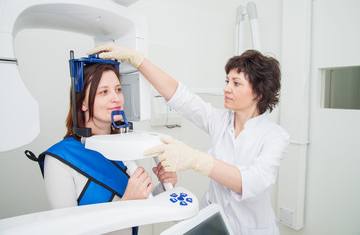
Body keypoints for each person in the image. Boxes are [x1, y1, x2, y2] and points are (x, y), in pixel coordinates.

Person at [88, 43, 290, 235]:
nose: (226, 89)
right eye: (227, 81)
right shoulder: (220, 121)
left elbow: (253, 182)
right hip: (214, 223)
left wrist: (196, 160)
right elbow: (181, 97)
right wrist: (138, 60)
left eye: (236, 83)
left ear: (259, 93)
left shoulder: (274, 136)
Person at [28, 63, 177, 235]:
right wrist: (126, 205)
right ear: (83, 103)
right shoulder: (59, 160)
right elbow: (69, 232)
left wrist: (164, 187)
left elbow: (141, 207)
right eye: (104, 92)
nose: (116, 98)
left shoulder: (124, 146)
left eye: (118, 89)